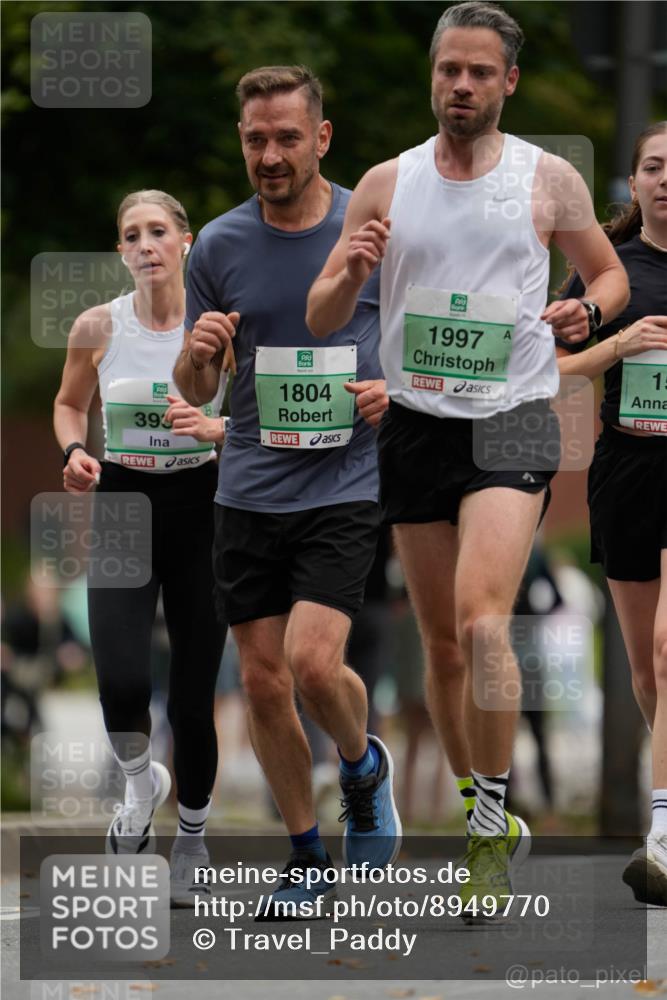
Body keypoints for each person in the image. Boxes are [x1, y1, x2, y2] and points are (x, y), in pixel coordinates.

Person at [306, 0, 629, 919]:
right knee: (441, 645)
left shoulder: (547, 178)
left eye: (479, 72)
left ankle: (490, 822)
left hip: (514, 416)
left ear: (507, 83)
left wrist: (586, 311)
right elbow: (326, 319)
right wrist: (350, 273)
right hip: (414, 424)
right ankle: (479, 808)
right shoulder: (385, 182)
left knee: (484, 623)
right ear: (433, 74)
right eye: (449, 68)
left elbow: (603, 275)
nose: (460, 85)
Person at [173, 65, 400, 918]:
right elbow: (195, 386)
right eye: (254, 140)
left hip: (347, 478)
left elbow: (416, 336)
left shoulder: (372, 226)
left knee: (311, 664)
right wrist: (197, 350)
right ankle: (305, 854)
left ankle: (360, 764)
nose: (269, 155)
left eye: (286, 138)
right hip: (248, 485)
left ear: (323, 138)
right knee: (263, 681)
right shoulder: (219, 247)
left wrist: (396, 391)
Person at [53, 190, 226, 907]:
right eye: (132, 235)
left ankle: (191, 840)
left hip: (203, 506)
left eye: (159, 231)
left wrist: (216, 430)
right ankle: (137, 786)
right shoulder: (98, 325)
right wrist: (73, 449)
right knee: (121, 676)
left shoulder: (215, 328)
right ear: (121, 251)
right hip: (125, 501)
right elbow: (70, 402)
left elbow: (244, 413)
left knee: (192, 694)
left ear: (185, 241)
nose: (146, 244)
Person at [556, 121, 667, 905]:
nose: (666, 180)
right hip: (627, 470)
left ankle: (661, 829)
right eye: (654, 167)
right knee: (644, 671)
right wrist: (618, 346)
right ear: (633, 183)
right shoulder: (609, 274)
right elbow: (548, 367)